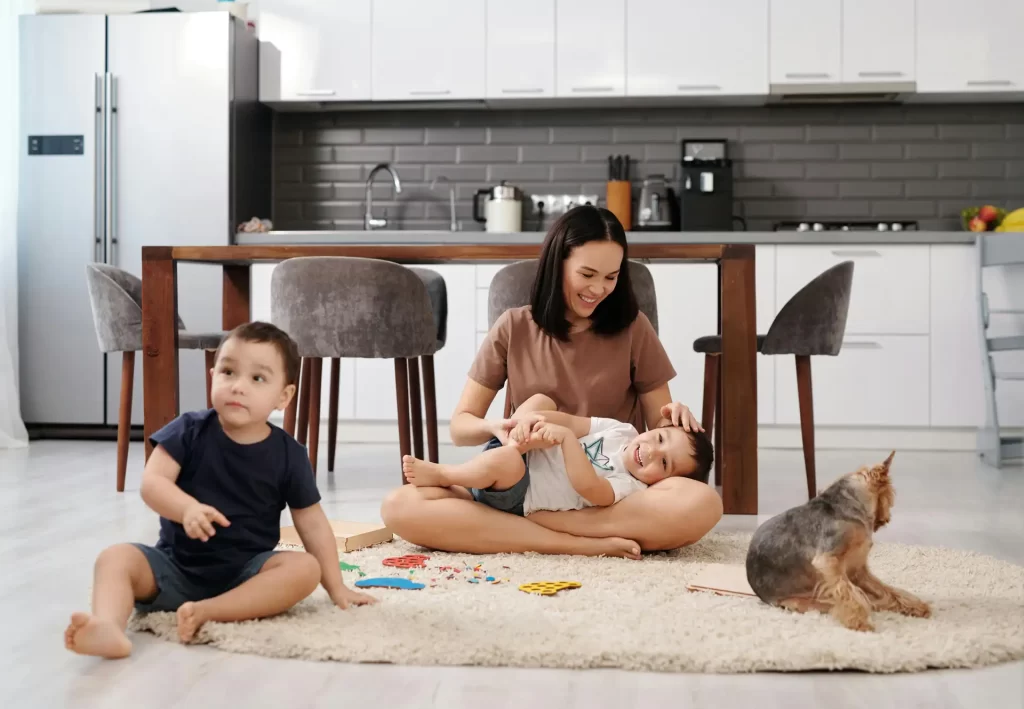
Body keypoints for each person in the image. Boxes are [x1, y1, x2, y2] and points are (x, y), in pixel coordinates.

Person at [382, 205, 724, 558]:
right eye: (587, 274)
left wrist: (674, 416)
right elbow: (460, 428)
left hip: (603, 498)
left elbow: (659, 441)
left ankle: (535, 531)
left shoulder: (634, 329)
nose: (599, 289)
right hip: (524, 483)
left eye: (611, 277)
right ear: (557, 263)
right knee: (399, 505)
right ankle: (571, 542)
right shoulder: (513, 326)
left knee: (704, 502)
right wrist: (497, 427)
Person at [64, 322, 375, 660]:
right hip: (173, 567)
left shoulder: (290, 455)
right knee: (115, 558)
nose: (238, 386)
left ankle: (210, 610)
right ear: (213, 375)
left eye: (257, 378)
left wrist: (336, 587)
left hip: (247, 576)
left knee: (305, 569)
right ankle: (107, 627)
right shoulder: (189, 430)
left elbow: (313, 524)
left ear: (283, 397)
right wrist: (186, 509)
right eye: (228, 372)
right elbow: (152, 484)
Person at [402, 393, 714, 559]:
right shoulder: (624, 430)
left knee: (508, 461)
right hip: (515, 446)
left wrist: (564, 439)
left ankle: (446, 475)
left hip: (520, 490)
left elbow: (590, 488)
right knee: (538, 401)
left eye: (663, 465)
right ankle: (465, 478)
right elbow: (571, 421)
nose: (650, 453)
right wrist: (528, 425)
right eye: (659, 440)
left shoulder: (630, 486)